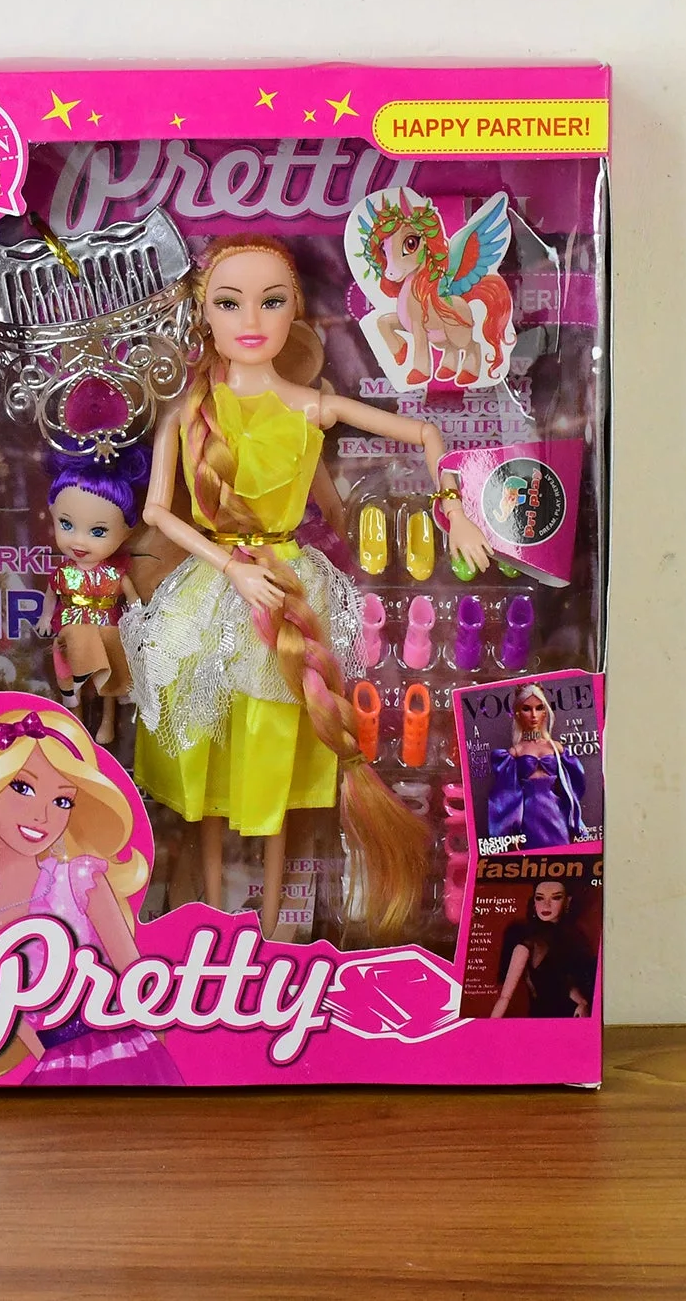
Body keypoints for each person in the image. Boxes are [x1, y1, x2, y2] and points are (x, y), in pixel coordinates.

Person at [121, 234, 492, 941]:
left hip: (288, 583)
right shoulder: (185, 411)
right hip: (212, 589)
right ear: (203, 313)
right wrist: (230, 566)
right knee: (205, 747)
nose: (250, 319)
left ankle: (267, 936)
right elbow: (158, 512)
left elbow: (424, 435)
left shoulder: (310, 408)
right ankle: (207, 922)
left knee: (273, 745)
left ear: (296, 311)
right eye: (229, 303)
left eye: (271, 301)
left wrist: (455, 510)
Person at [0, 704, 181, 1086]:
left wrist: (162, 1064)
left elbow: (140, 984)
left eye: (62, 801)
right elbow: (21, 1031)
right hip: (56, 1073)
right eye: (22, 788)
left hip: (129, 1055)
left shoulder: (79, 882)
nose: (42, 816)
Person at [42, 446, 148, 744]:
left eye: (98, 532)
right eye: (66, 525)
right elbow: (52, 594)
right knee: (71, 677)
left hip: (106, 630)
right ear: (52, 514)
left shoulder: (115, 574)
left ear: (127, 532)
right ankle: (74, 721)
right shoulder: (64, 572)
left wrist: (139, 618)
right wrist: (45, 617)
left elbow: (132, 598)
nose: (79, 541)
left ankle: (108, 720)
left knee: (108, 680)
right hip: (71, 626)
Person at [487, 684, 586, 847]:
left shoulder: (556, 748)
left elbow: (573, 786)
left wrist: (573, 821)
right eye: (527, 709)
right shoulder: (515, 753)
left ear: (545, 712)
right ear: (518, 714)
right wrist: (512, 830)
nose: (533, 715)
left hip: (555, 812)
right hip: (529, 814)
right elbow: (506, 794)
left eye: (539, 708)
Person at [490, 880, 595, 1019]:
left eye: (556, 897)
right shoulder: (529, 944)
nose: (546, 905)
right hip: (542, 1018)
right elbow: (505, 997)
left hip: (571, 1016)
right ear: (534, 902)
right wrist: (489, 1027)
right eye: (540, 898)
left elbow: (564, 983)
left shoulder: (571, 937)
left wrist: (582, 1003)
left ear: (567, 901)